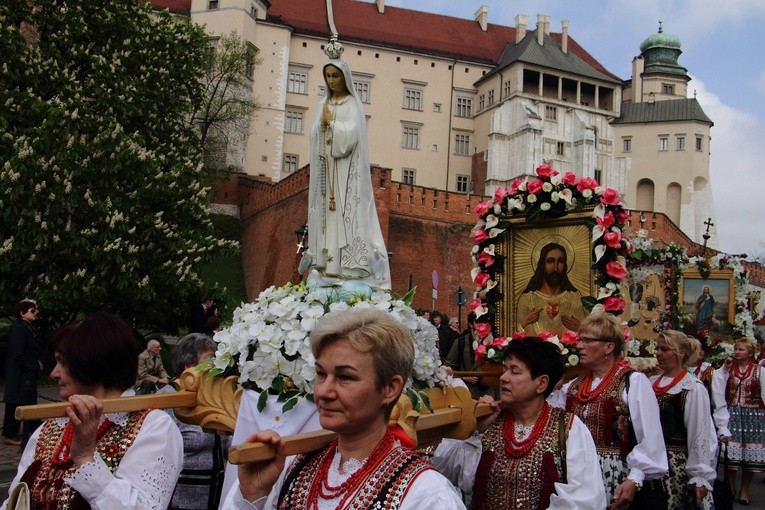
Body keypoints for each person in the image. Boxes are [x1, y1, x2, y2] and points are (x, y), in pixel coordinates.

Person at [228, 307, 464, 509]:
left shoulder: (426, 494)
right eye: (321, 374)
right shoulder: (290, 468)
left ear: (390, 388)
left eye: (345, 377)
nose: (323, 392)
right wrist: (252, 496)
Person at [2, 312, 183, 509]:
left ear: (93, 362)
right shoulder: (50, 427)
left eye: (62, 362)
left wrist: (86, 458)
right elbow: (14, 501)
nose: (54, 373)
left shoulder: (153, 427)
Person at [434, 337, 607, 509]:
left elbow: (584, 499)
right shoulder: (491, 423)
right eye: (504, 370)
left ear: (541, 383)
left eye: (514, 372)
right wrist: (474, 431)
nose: (503, 378)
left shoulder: (569, 429)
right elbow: (447, 469)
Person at [548, 312, 668, 509]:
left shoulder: (633, 383)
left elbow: (650, 438)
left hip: (615, 476)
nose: (579, 345)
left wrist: (635, 479)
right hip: (579, 475)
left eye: (587, 340)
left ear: (609, 347)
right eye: (580, 339)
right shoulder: (573, 387)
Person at [307, 38, 391, 291]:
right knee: (328, 220)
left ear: (344, 77)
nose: (332, 81)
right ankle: (327, 266)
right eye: (328, 76)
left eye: (336, 76)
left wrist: (332, 125)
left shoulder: (352, 103)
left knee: (346, 218)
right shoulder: (323, 103)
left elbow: (353, 134)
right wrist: (320, 129)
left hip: (346, 173)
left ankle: (349, 268)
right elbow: (313, 134)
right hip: (327, 174)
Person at [158, 333, 231, 510]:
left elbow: (229, 445)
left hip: (215, 499)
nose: (216, 364)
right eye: (209, 359)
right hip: (178, 503)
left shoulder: (214, 398)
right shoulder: (165, 401)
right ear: (188, 366)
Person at [649, 330, 716, 509]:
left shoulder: (692, 388)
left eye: (664, 349)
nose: (658, 353)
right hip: (651, 462)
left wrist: (699, 475)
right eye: (657, 348)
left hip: (676, 466)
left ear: (681, 353)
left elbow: (699, 433)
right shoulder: (651, 383)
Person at [712, 337, 765, 506]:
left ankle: (744, 489)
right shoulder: (728, 369)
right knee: (731, 452)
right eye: (736, 348)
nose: (737, 352)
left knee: (750, 455)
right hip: (732, 413)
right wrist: (725, 368)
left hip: (754, 415)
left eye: (741, 349)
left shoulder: (760, 371)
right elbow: (718, 385)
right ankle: (731, 486)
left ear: (750, 353)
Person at [516, 242, 586, 335]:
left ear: (565, 266)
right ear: (542, 264)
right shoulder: (527, 299)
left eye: (560, 261)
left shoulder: (574, 297)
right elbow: (517, 340)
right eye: (550, 261)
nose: (556, 268)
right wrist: (524, 323)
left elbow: (586, 339)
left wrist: (580, 328)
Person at [3, 299, 43, 447]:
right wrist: (29, 368)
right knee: (16, 401)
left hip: (26, 372)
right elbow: (17, 353)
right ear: (22, 313)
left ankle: (35, 428)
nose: (36, 312)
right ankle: (10, 434)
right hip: (19, 373)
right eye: (32, 310)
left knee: (28, 399)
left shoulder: (27, 327)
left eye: (36, 310)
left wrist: (36, 363)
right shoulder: (19, 328)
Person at [445, 312, 483, 398]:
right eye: (478, 322)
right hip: (465, 394)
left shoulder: (491, 342)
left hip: (487, 394)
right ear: (470, 324)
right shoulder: (460, 343)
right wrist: (464, 377)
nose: (481, 325)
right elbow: (446, 369)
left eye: (484, 322)